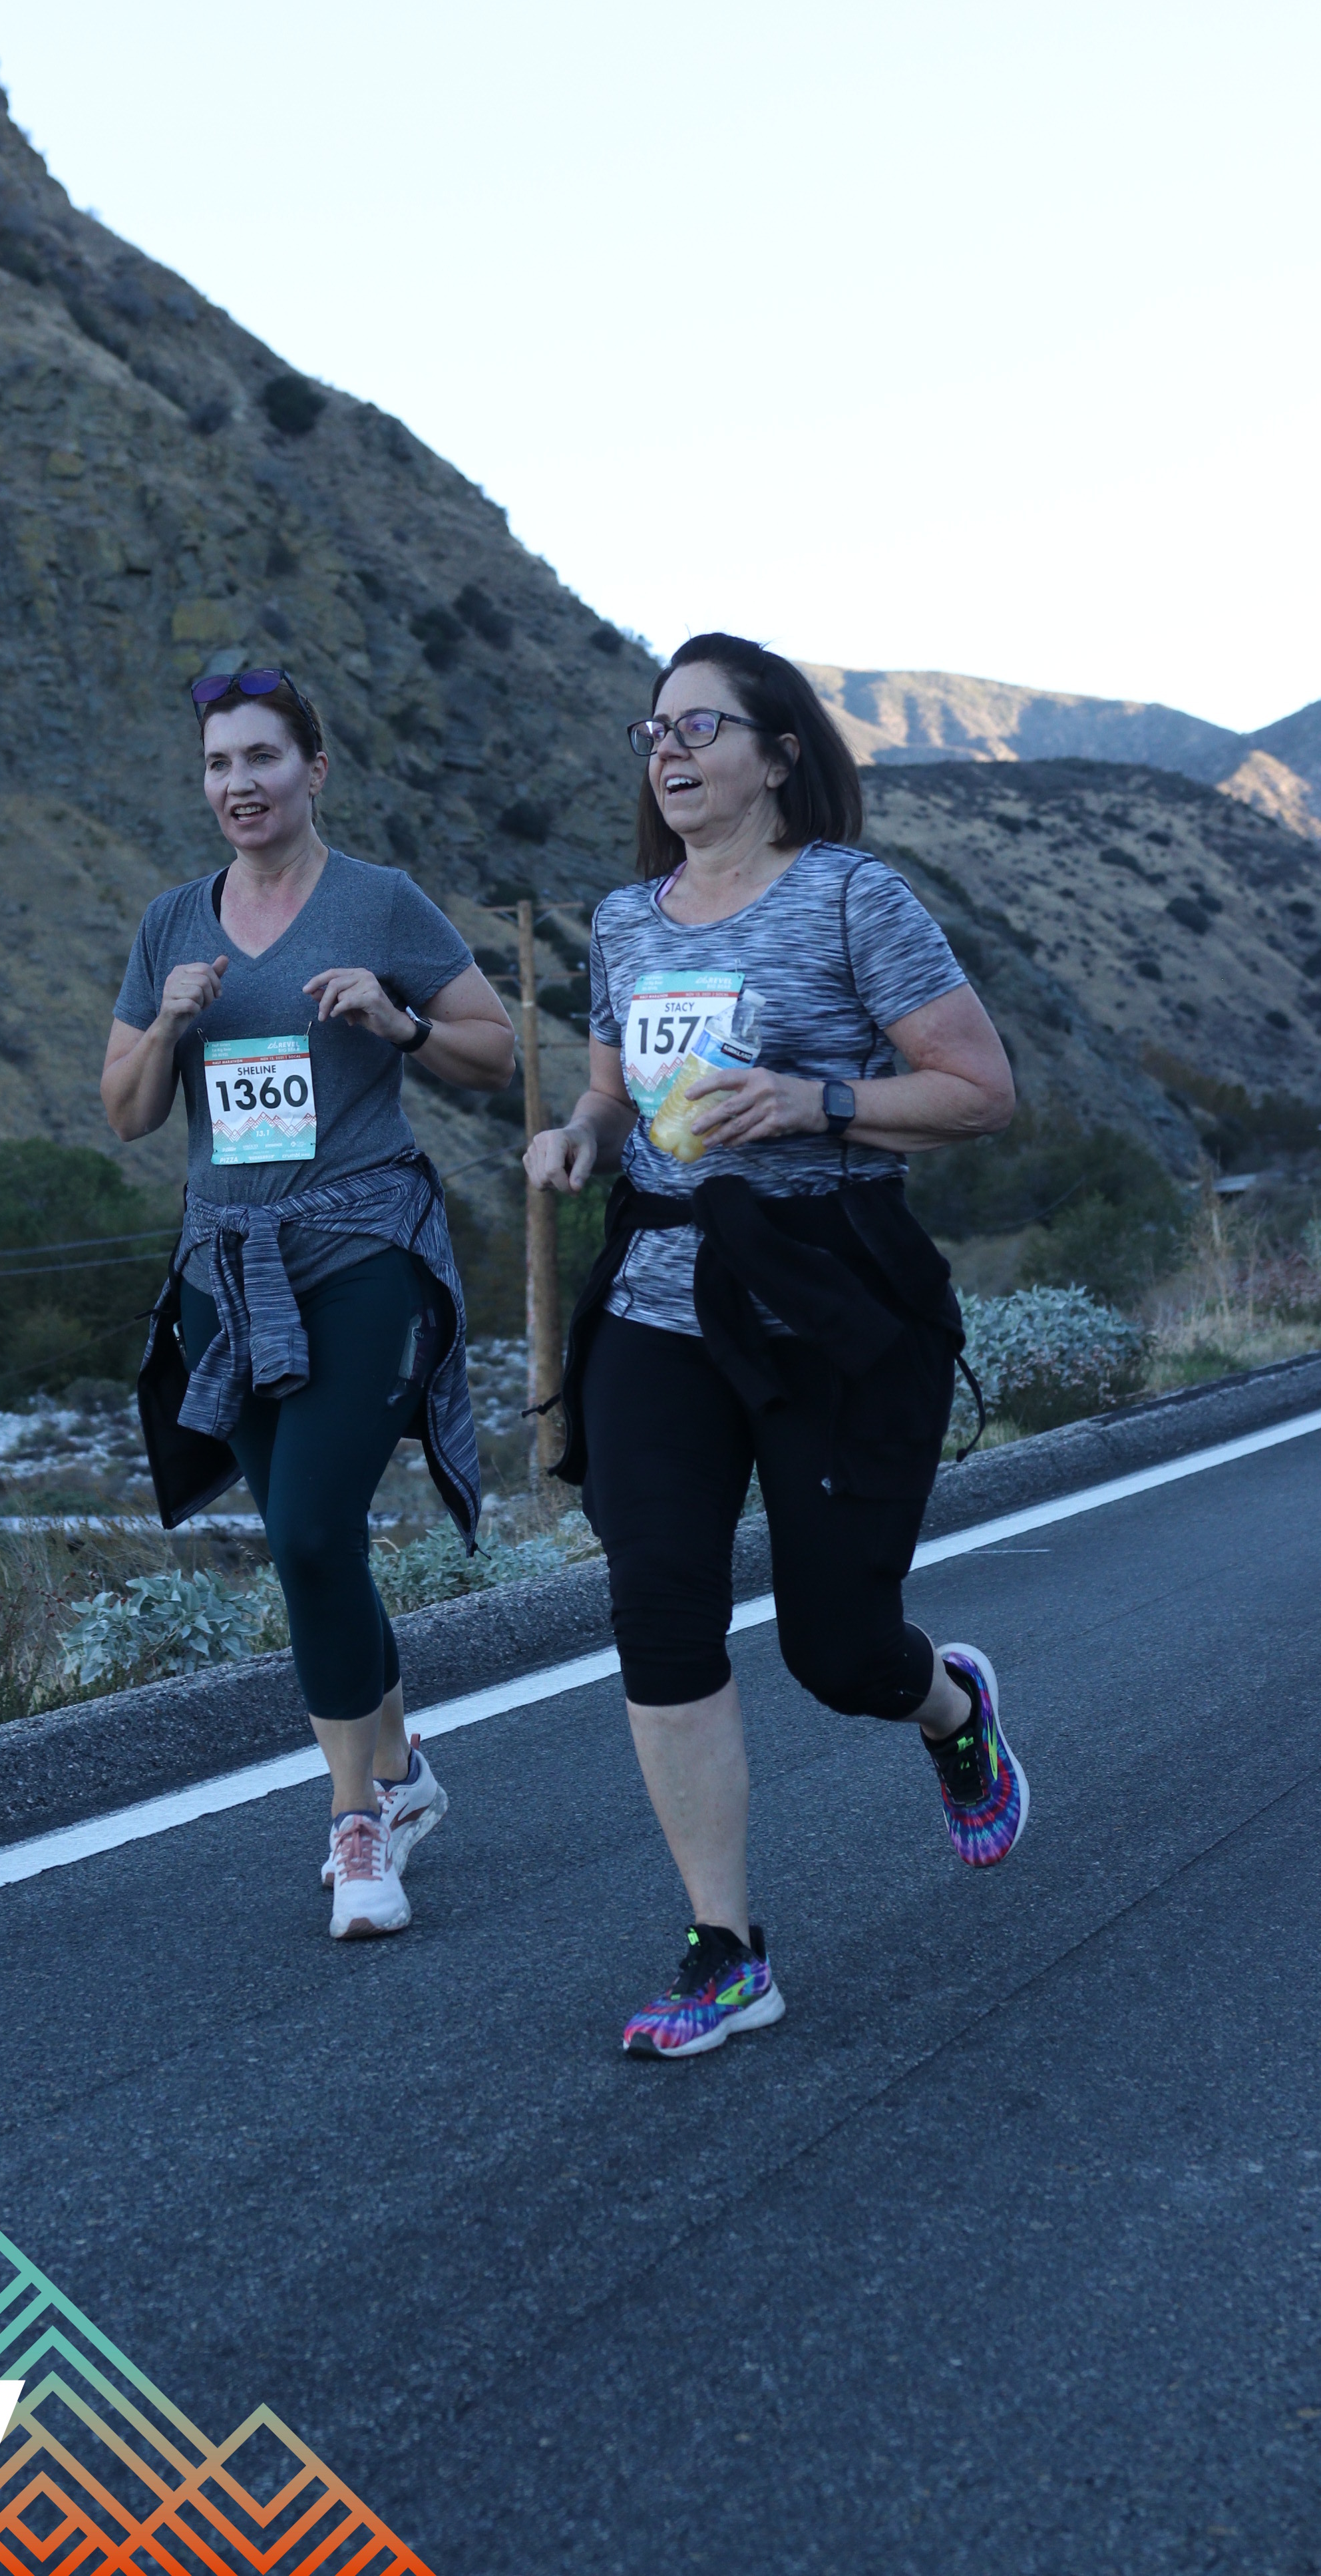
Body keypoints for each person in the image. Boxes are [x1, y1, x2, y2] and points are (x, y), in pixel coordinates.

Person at [524, 634, 1026, 2059]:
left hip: (826, 1302)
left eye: (701, 727)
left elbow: (977, 1090)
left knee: (838, 1649)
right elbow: (614, 1096)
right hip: (658, 1300)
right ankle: (724, 1947)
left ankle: (948, 1710)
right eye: (655, 731)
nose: (669, 752)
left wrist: (815, 1101)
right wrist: (577, 1137)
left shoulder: (852, 898)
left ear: (778, 751)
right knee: (659, 1607)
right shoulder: (624, 921)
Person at [102, 665, 515, 1940]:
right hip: (226, 1268)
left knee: (313, 1527)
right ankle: (400, 1768)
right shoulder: (173, 925)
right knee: (306, 1543)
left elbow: (495, 1054)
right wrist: (167, 1027)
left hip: (361, 1250)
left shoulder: (379, 903)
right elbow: (126, 1113)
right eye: (219, 764)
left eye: (263, 758)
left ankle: (356, 1822)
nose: (240, 784)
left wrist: (397, 1021)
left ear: (314, 770)